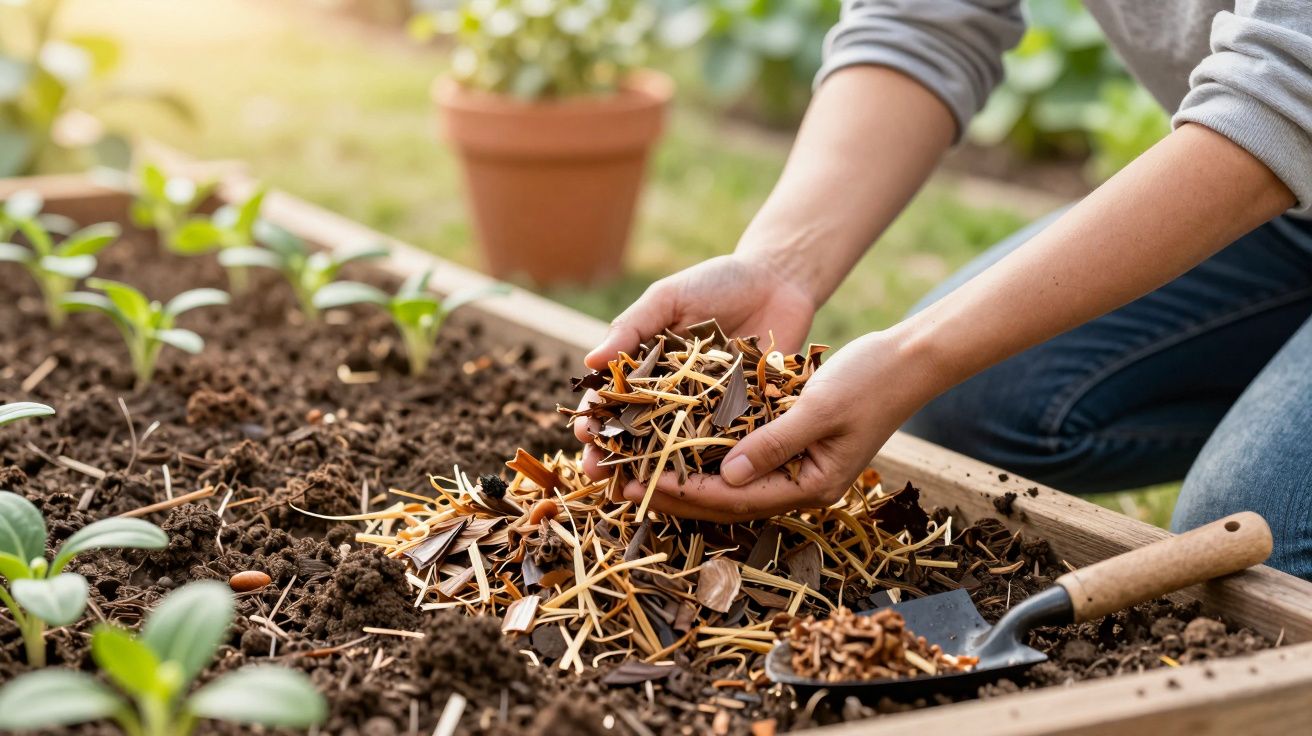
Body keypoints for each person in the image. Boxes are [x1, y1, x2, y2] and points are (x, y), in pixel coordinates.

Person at [574, 1, 1312, 579]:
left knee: (1258, 533)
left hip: (1277, 151)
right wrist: (781, 266)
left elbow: (1285, 90)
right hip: (1286, 204)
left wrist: (917, 352)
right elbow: (920, 20)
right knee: (963, 402)